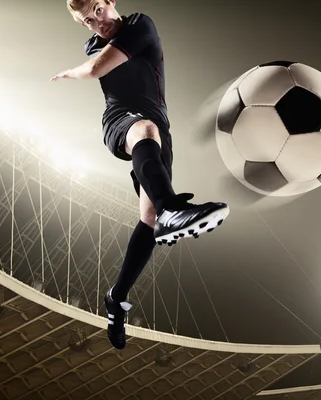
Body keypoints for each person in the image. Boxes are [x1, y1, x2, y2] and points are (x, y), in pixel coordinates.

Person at [51, 0, 229, 350]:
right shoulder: (94, 46)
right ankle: (172, 211)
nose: (96, 23)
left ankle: (116, 299)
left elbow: (95, 68)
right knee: (145, 134)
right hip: (122, 122)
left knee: (149, 219)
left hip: (158, 130)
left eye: (98, 11)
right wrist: (78, 70)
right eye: (87, 21)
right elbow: (95, 69)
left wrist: (78, 70)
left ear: (111, 2)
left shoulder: (140, 25)